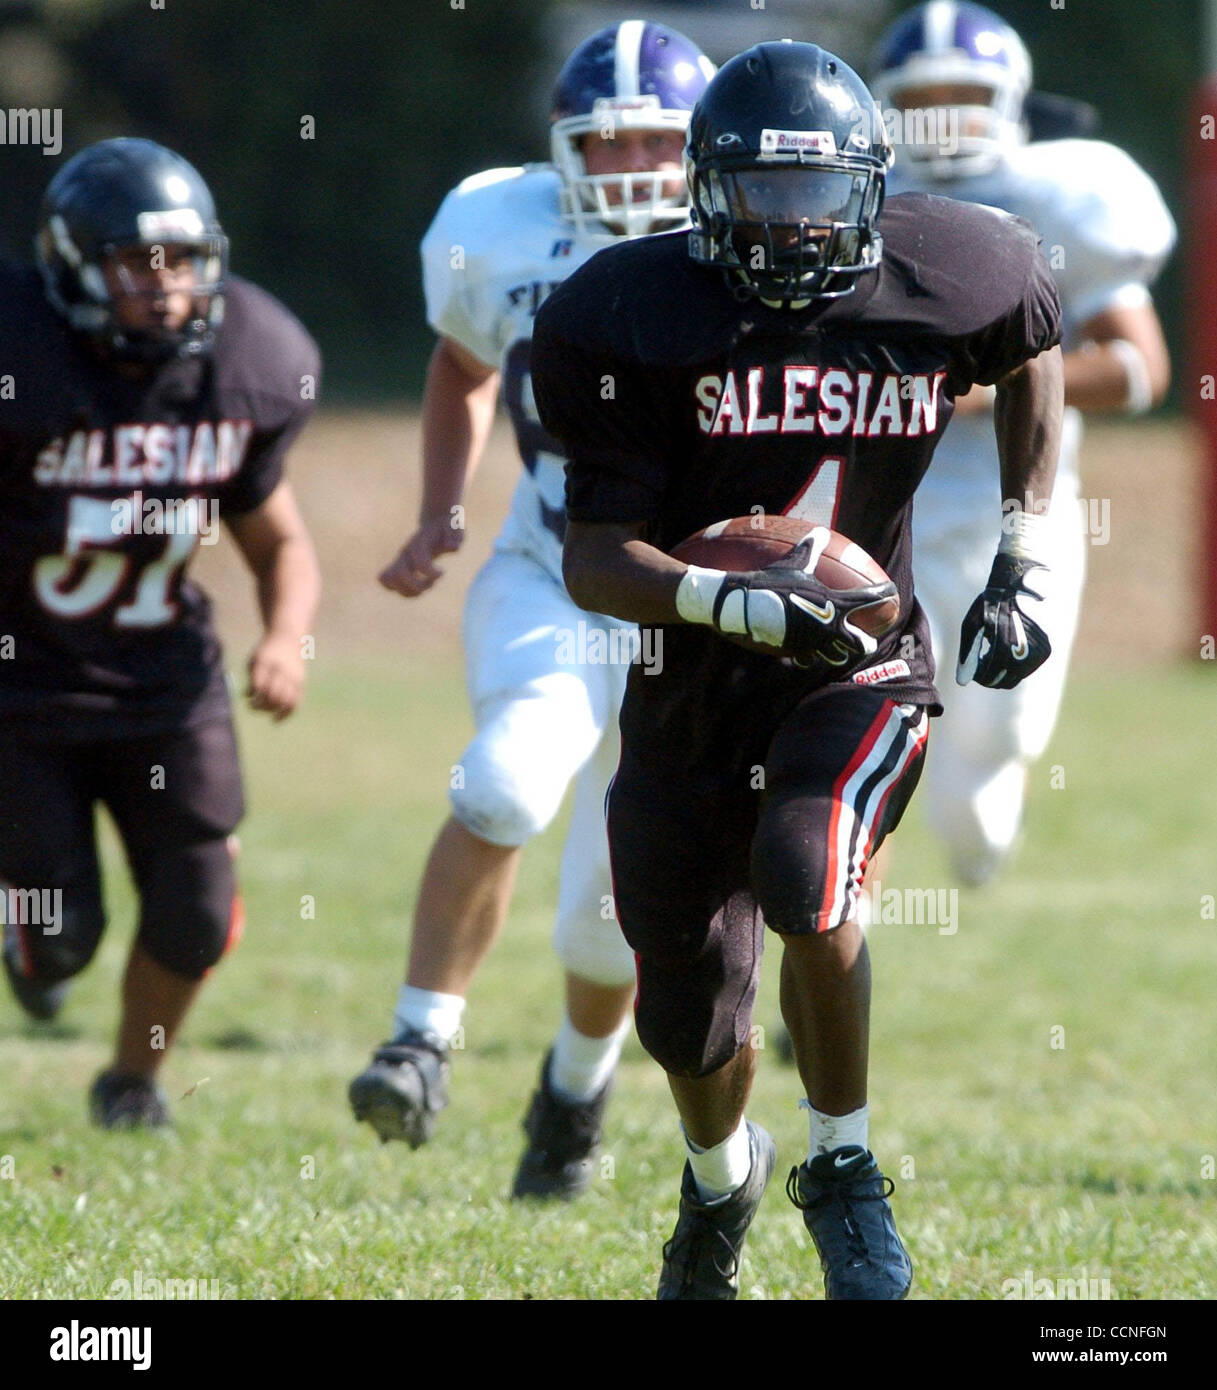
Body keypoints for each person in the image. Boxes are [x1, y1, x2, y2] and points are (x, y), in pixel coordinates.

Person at [531, 41, 1063, 1298]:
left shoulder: (960, 266)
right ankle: (720, 1185)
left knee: (805, 872)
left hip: (861, 664)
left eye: (818, 199)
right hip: (691, 684)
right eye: (761, 200)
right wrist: (728, 599)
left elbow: (1026, 349)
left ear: (871, 192)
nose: (788, 231)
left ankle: (844, 1167)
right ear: (705, 195)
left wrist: (1023, 554)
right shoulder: (625, 312)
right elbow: (595, 559)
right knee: (685, 1007)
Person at [347, 22, 715, 1200]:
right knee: (506, 777)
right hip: (552, 567)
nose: (630, 170)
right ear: (559, 152)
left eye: (654, 143)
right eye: (601, 146)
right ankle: (419, 1037)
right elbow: (460, 364)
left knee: (612, 918)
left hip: (699, 607)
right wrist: (439, 512)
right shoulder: (494, 231)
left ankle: (573, 1090)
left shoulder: (751, 235)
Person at [0, 138, 321, 1128]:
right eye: (136, 262)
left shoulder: (248, 364)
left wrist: (285, 637)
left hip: (164, 682)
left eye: (180, 261)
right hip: (23, 687)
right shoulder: (22, 357)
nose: (164, 286)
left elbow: (283, 541)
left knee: (193, 912)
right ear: (70, 265)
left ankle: (133, 1081)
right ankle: (33, 946)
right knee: (64, 934)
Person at [869, 0, 1174, 886]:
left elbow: (1138, 369)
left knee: (985, 761)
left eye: (967, 95)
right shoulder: (866, 195)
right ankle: (835, 940)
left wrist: (988, 388)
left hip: (1016, 517)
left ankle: (975, 843)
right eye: (926, 99)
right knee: (863, 734)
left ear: (1010, 100)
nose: (947, 117)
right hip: (879, 514)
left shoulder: (1052, 195)